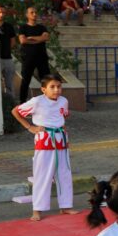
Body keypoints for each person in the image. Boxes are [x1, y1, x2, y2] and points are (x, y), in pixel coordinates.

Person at [12, 74, 75, 221]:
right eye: (52, 87)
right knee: (42, 175)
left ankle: (65, 206)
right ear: (43, 89)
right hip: (44, 139)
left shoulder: (64, 101)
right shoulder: (37, 101)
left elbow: (61, 118)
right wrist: (30, 127)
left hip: (61, 140)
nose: (56, 90)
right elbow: (16, 111)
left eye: (59, 86)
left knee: (64, 174)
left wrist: (65, 136)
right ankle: (37, 210)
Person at [17, 6, 52, 103]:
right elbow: (23, 40)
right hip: (28, 58)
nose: (34, 14)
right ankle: (22, 102)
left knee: (46, 80)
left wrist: (31, 38)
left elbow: (45, 38)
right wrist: (38, 39)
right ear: (27, 15)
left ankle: (48, 101)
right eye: (32, 12)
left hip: (42, 58)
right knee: (25, 80)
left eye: (36, 12)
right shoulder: (23, 27)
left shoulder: (41, 27)